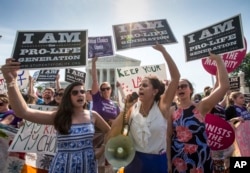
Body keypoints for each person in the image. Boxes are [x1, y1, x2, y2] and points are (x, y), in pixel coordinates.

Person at [1, 58, 111, 173]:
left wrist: (102, 149)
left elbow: (110, 132)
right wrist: (11, 81)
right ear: (69, 97)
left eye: (82, 92)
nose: (80, 94)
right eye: (75, 92)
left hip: (87, 165)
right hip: (63, 166)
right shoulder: (59, 116)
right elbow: (23, 112)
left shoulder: (93, 115)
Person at [108, 43, 180, 173]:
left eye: (145, 85)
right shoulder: (132, 108)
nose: (140, 87)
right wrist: (127, 108)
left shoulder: (162, 107)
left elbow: (176, 78)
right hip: (134, 162)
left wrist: (163, 51)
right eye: (140, 85)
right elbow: (114, 130)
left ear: (155, 91)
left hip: (157, 163)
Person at [171, 52, 229, 173]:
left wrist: (218, 60)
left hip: (201, 157)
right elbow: (167, 138)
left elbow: (224, 86)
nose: (180, 88)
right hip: (178, 158)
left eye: (184, 86)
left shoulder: (201, 106)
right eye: (178, 87)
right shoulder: (172, 111)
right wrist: (167, 161)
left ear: (190, 89)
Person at [91, 56, 120, 126]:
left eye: (108, 88)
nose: (105, 90)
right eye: (103, 89)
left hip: (111, 131)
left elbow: (119, 119)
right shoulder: (97, 99)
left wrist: (114, 121)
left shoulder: (115, 105)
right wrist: (93, 63)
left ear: (111, 89)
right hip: (98, 131)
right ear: (100, 91)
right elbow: (95, 80)